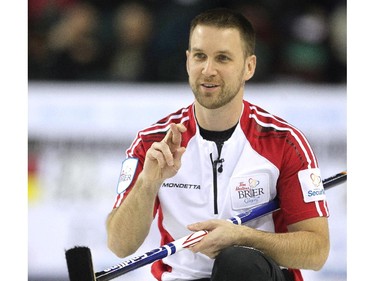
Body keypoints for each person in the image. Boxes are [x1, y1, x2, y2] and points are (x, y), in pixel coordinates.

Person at [106, 8, 330, 281]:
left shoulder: (285, 142)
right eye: (200, 56)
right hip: (182, 277)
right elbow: (119, 245)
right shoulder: (153, 142)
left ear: (249, 67)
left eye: (222, 58)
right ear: (188, 61)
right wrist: (148, 182)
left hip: (252, 274)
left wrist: (243, 237)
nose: (208, 70)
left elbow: (317, 251)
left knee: (238, 261)